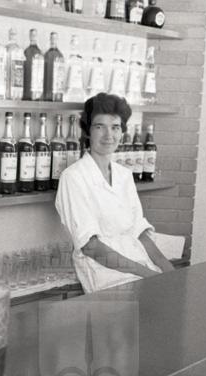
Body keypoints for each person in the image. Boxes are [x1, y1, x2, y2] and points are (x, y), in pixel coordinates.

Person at [55, 93, 174, 294]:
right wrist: (148, 275)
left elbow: (140, 232)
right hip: (107, 280)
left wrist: (169, 271)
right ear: (87, 131)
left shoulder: (124, 175)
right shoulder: (73, 177)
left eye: (115, 127)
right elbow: (90, 247)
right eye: (99, 126)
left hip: (143, 270)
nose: (108, 135)